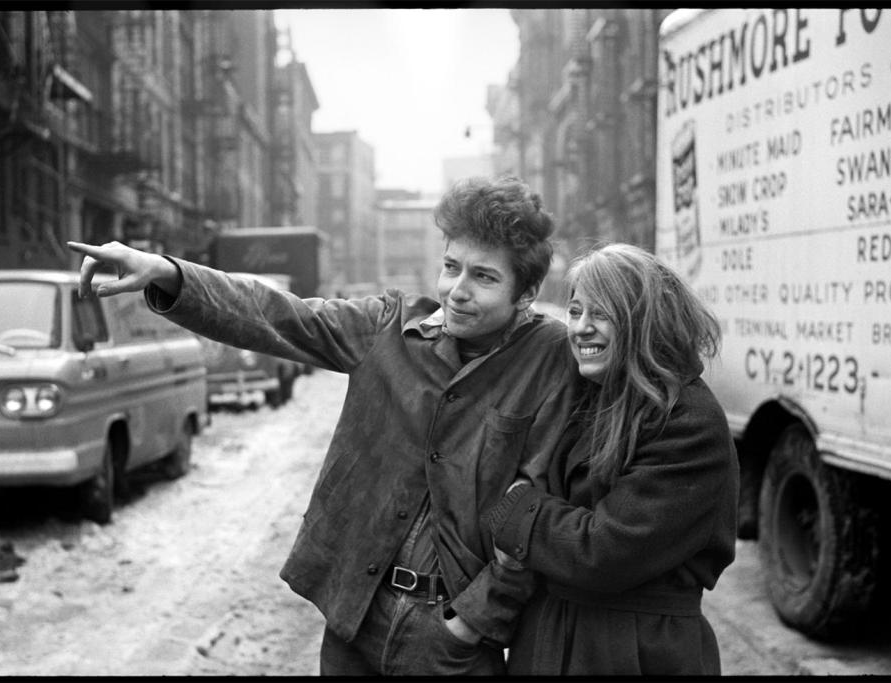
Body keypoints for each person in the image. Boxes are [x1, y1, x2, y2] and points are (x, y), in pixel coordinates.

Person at [67, 176, 581, 676]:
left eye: (484, 277)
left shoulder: (550, 359)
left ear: (526, 292)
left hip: (452, 646)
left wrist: (469, 624)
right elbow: (276, 314)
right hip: (355, 619)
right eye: (451, 267)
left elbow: (537, 506)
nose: (457, 291)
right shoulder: (389, 328)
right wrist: (166, 272)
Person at [484, 242, 739, 676]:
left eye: (600, 313)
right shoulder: (592, 395)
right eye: (576, 311)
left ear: (645, 320)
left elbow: (603, 552)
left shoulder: (688, 420)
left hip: (635, 650)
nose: (580, 328)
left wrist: (515, 509)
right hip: (552, 637)